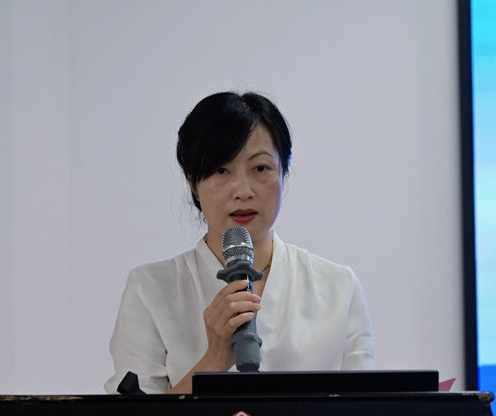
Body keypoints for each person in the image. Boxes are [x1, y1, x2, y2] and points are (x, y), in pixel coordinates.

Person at [104, 91, 374, 394]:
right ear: (192, 180)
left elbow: (364, 415)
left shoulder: (339, 288)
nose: (243, 191)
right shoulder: (150, 289)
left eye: (260, 168)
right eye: (221, 170)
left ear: (284, 171)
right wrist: (213, 360)